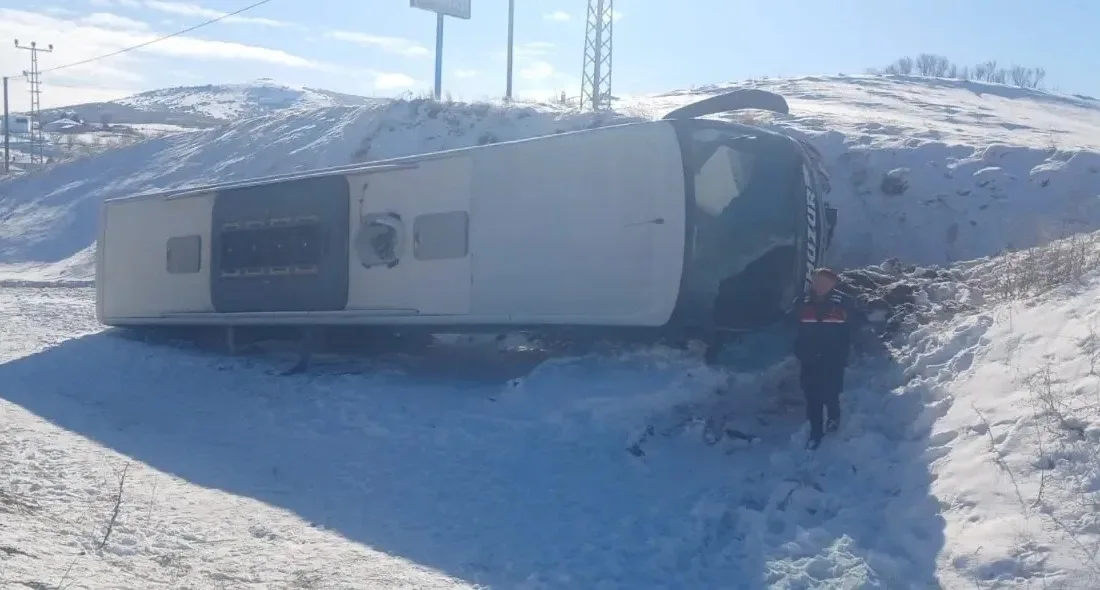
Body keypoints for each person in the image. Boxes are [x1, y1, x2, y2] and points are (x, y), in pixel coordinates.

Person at [794, 267, 863, 449]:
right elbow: (789, 326)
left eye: (824, 282)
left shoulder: (844, 302)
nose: (820, 286)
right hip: (808, 357)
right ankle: (815, 432)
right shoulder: (802, 302)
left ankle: (833, 417)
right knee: (811, 395)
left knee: (830, 392)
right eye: (817, 281)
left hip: (833, 357)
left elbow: (857, 325)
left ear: (833, 284)